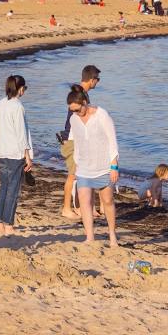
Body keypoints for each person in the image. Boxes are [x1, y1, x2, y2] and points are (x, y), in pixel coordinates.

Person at [67, 84, 120, 247]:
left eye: (77, 109)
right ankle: (90, 237)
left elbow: (112, 141)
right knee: (85, 202)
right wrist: (75, 166)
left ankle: (112, 236)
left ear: (85, 102)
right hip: (84, 168)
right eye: (72, 110)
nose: (75, 113)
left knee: (108, 201)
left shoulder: (101, 115)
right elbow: (77, 142)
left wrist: (114, 166)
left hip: (104, 167)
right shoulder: (73, 119)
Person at [0, 75, 34, 236]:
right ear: (20, 89)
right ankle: (8, 224)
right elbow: (21, 133)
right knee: (13, 189)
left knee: (4, 186)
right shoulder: (17, 106)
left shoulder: (1, 104)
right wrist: (27, 155)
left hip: (2, 150)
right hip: (15, 152)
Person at [58, 65, 101, 220]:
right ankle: (66, 208)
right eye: (98, 79)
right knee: (73, 175)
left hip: (75, 138)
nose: (98, 83)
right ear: (91, 79)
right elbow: (77, 120)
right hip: (72, 139)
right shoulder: (80, 95)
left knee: (80, 174)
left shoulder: (81, 93)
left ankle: (82, 208)